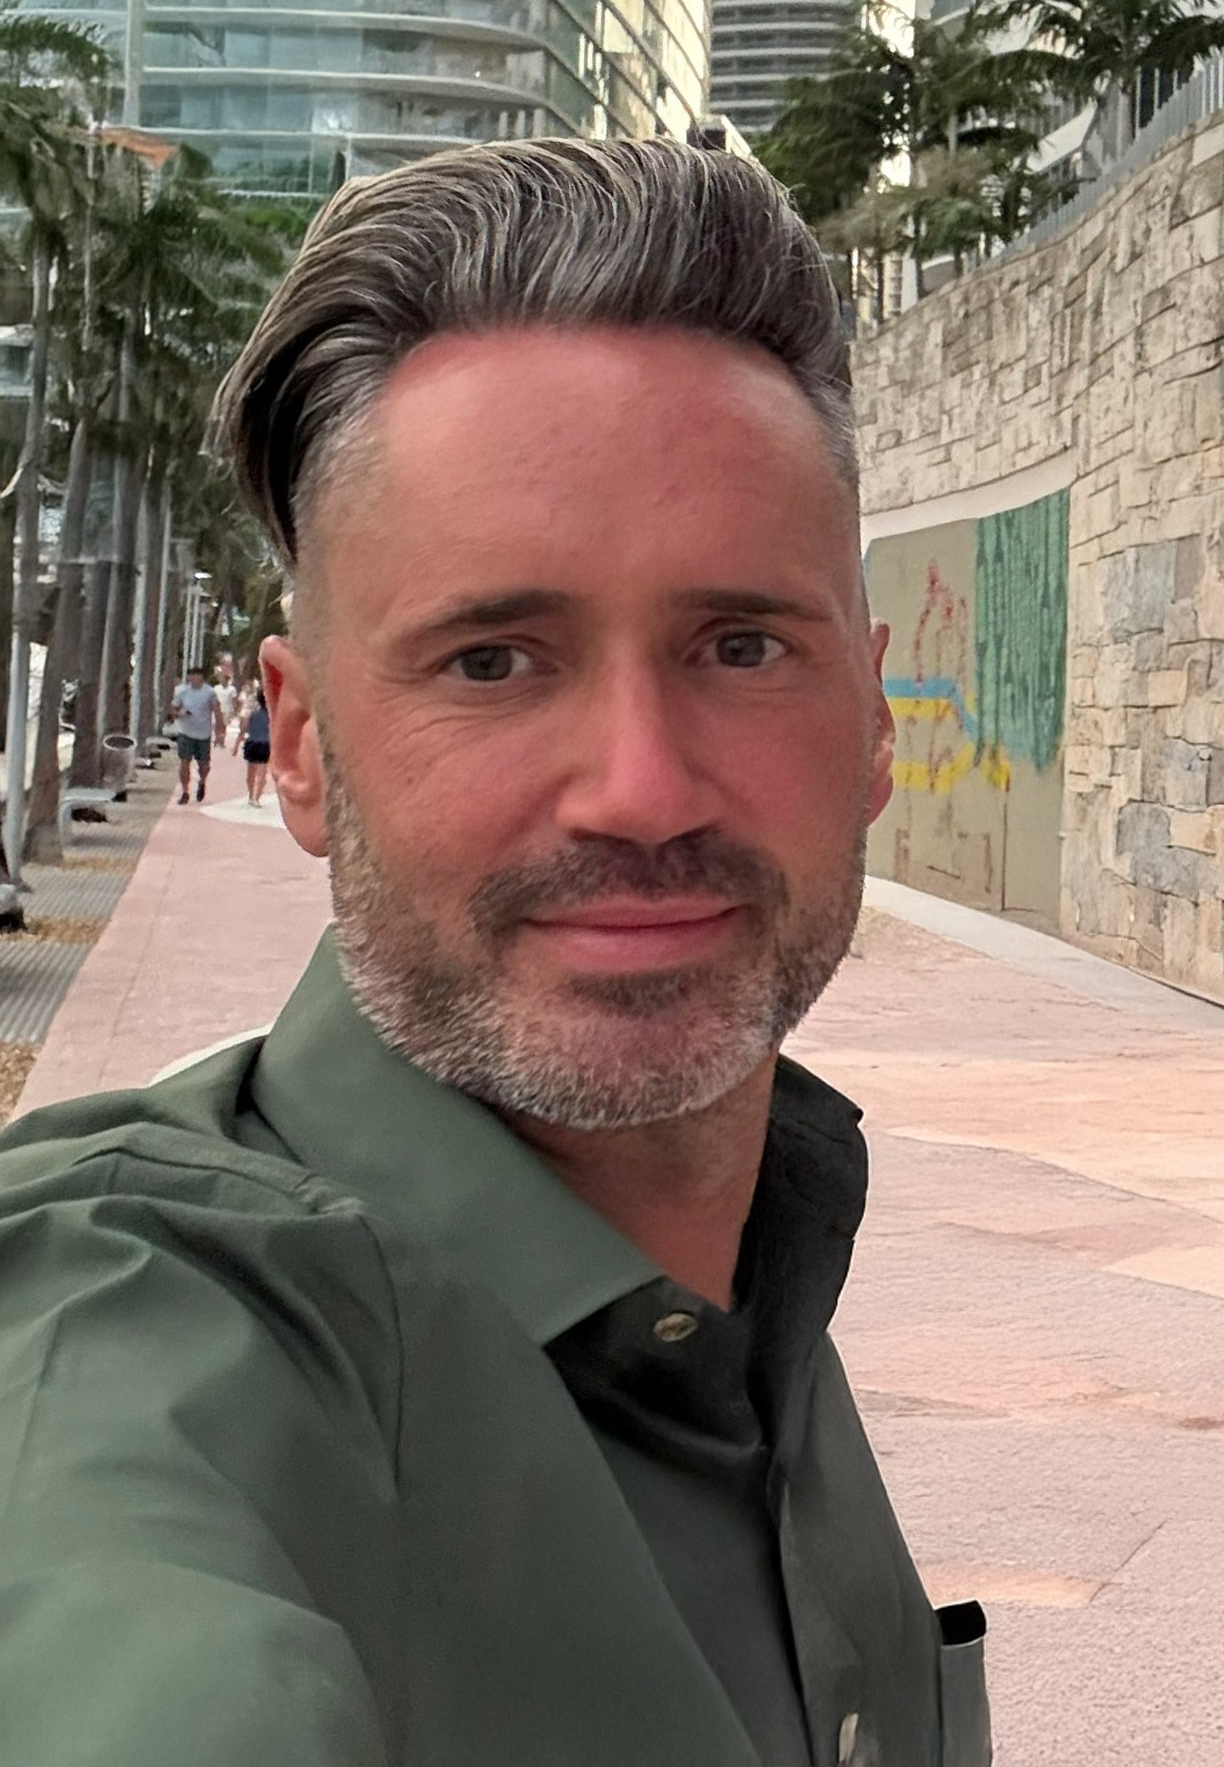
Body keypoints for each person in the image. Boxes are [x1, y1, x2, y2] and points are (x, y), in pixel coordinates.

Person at [0, 142, 991, 1767]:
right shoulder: (121, 1334)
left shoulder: (755, 1274)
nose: (642, 789)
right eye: (491, 660)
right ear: (300, 744)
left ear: (872, 718)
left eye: (741, 645)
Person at [169, 664, 224, 804]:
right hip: (185, 732)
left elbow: (217, 711)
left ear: (202, 678)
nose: (194, 679)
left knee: (204, 764)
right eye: (192, 676)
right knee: (184, 761)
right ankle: (185, 791)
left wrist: (220, 732)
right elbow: (172, 710)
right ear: (188, 677)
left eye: (197, 676)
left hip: (203, 733)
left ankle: (202, 782)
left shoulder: (209, 692)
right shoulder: (181, 691)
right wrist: (179, 713)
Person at [233, 683, 272, 804]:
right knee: (262, 773)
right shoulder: (272, 716)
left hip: (252, 744)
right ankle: (257, 797)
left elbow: (243, 730)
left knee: (251, 772)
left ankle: (251, 795)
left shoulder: (252, 714)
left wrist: (236, 745)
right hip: (265, 745)